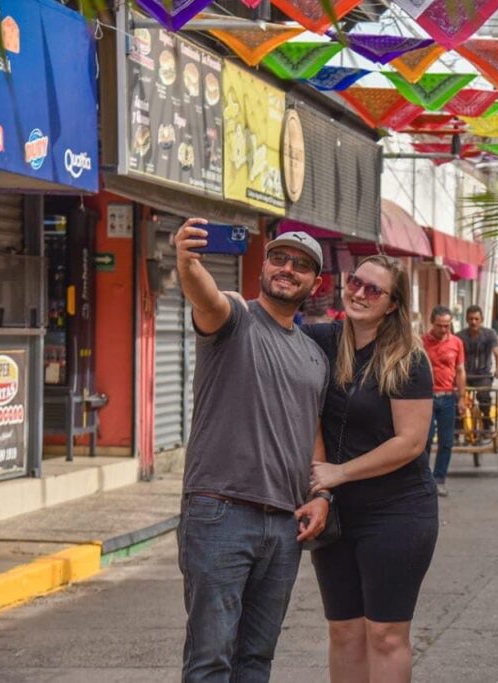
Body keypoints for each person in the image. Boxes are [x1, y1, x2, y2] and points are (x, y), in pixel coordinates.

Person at [173, 221, 330, 681]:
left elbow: (312, 429)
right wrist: (187, 261)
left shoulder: (313, 354)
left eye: (301, 265)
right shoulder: (236, 318)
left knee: (256, 659)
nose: (288, 269)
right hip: (220, 511)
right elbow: (205, 297)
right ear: (263, 265)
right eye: (279, 258)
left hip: (284, 525)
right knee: (211, 658)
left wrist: (320, 494)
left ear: (314, 283)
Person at [303, 255, 438, 683]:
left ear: (393, 304)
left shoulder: (408, 360)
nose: (359, 293)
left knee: (385, 635)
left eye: (373, 290)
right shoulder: (322, 341)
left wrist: (337, 473)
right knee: (343, 631)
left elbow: (410, 443)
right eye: (356, 283)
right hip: (336, 512)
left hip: (397, 511)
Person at [422, 305, 466, 497]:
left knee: (446, 442)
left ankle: (439, 479)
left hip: (448, 397)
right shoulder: (422, 342)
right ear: (433, 323)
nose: (443, 329)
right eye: (440, 325)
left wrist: (462, 398)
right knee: (425, 440)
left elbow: (460, 370)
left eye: (447, 325)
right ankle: (423, 480)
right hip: (427, 398)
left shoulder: (456, 343)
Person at [457, 305, 498, 436]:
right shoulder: (460, 336)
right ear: (466, 319)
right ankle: (457, 426)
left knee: (484, 397)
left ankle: (487, 420)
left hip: (483, 375)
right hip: (464, 375)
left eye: (476, 319)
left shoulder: (490, 334)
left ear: (481, 319)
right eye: (471, 319)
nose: (473, 322)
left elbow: (497, 353)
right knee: (456, 398)